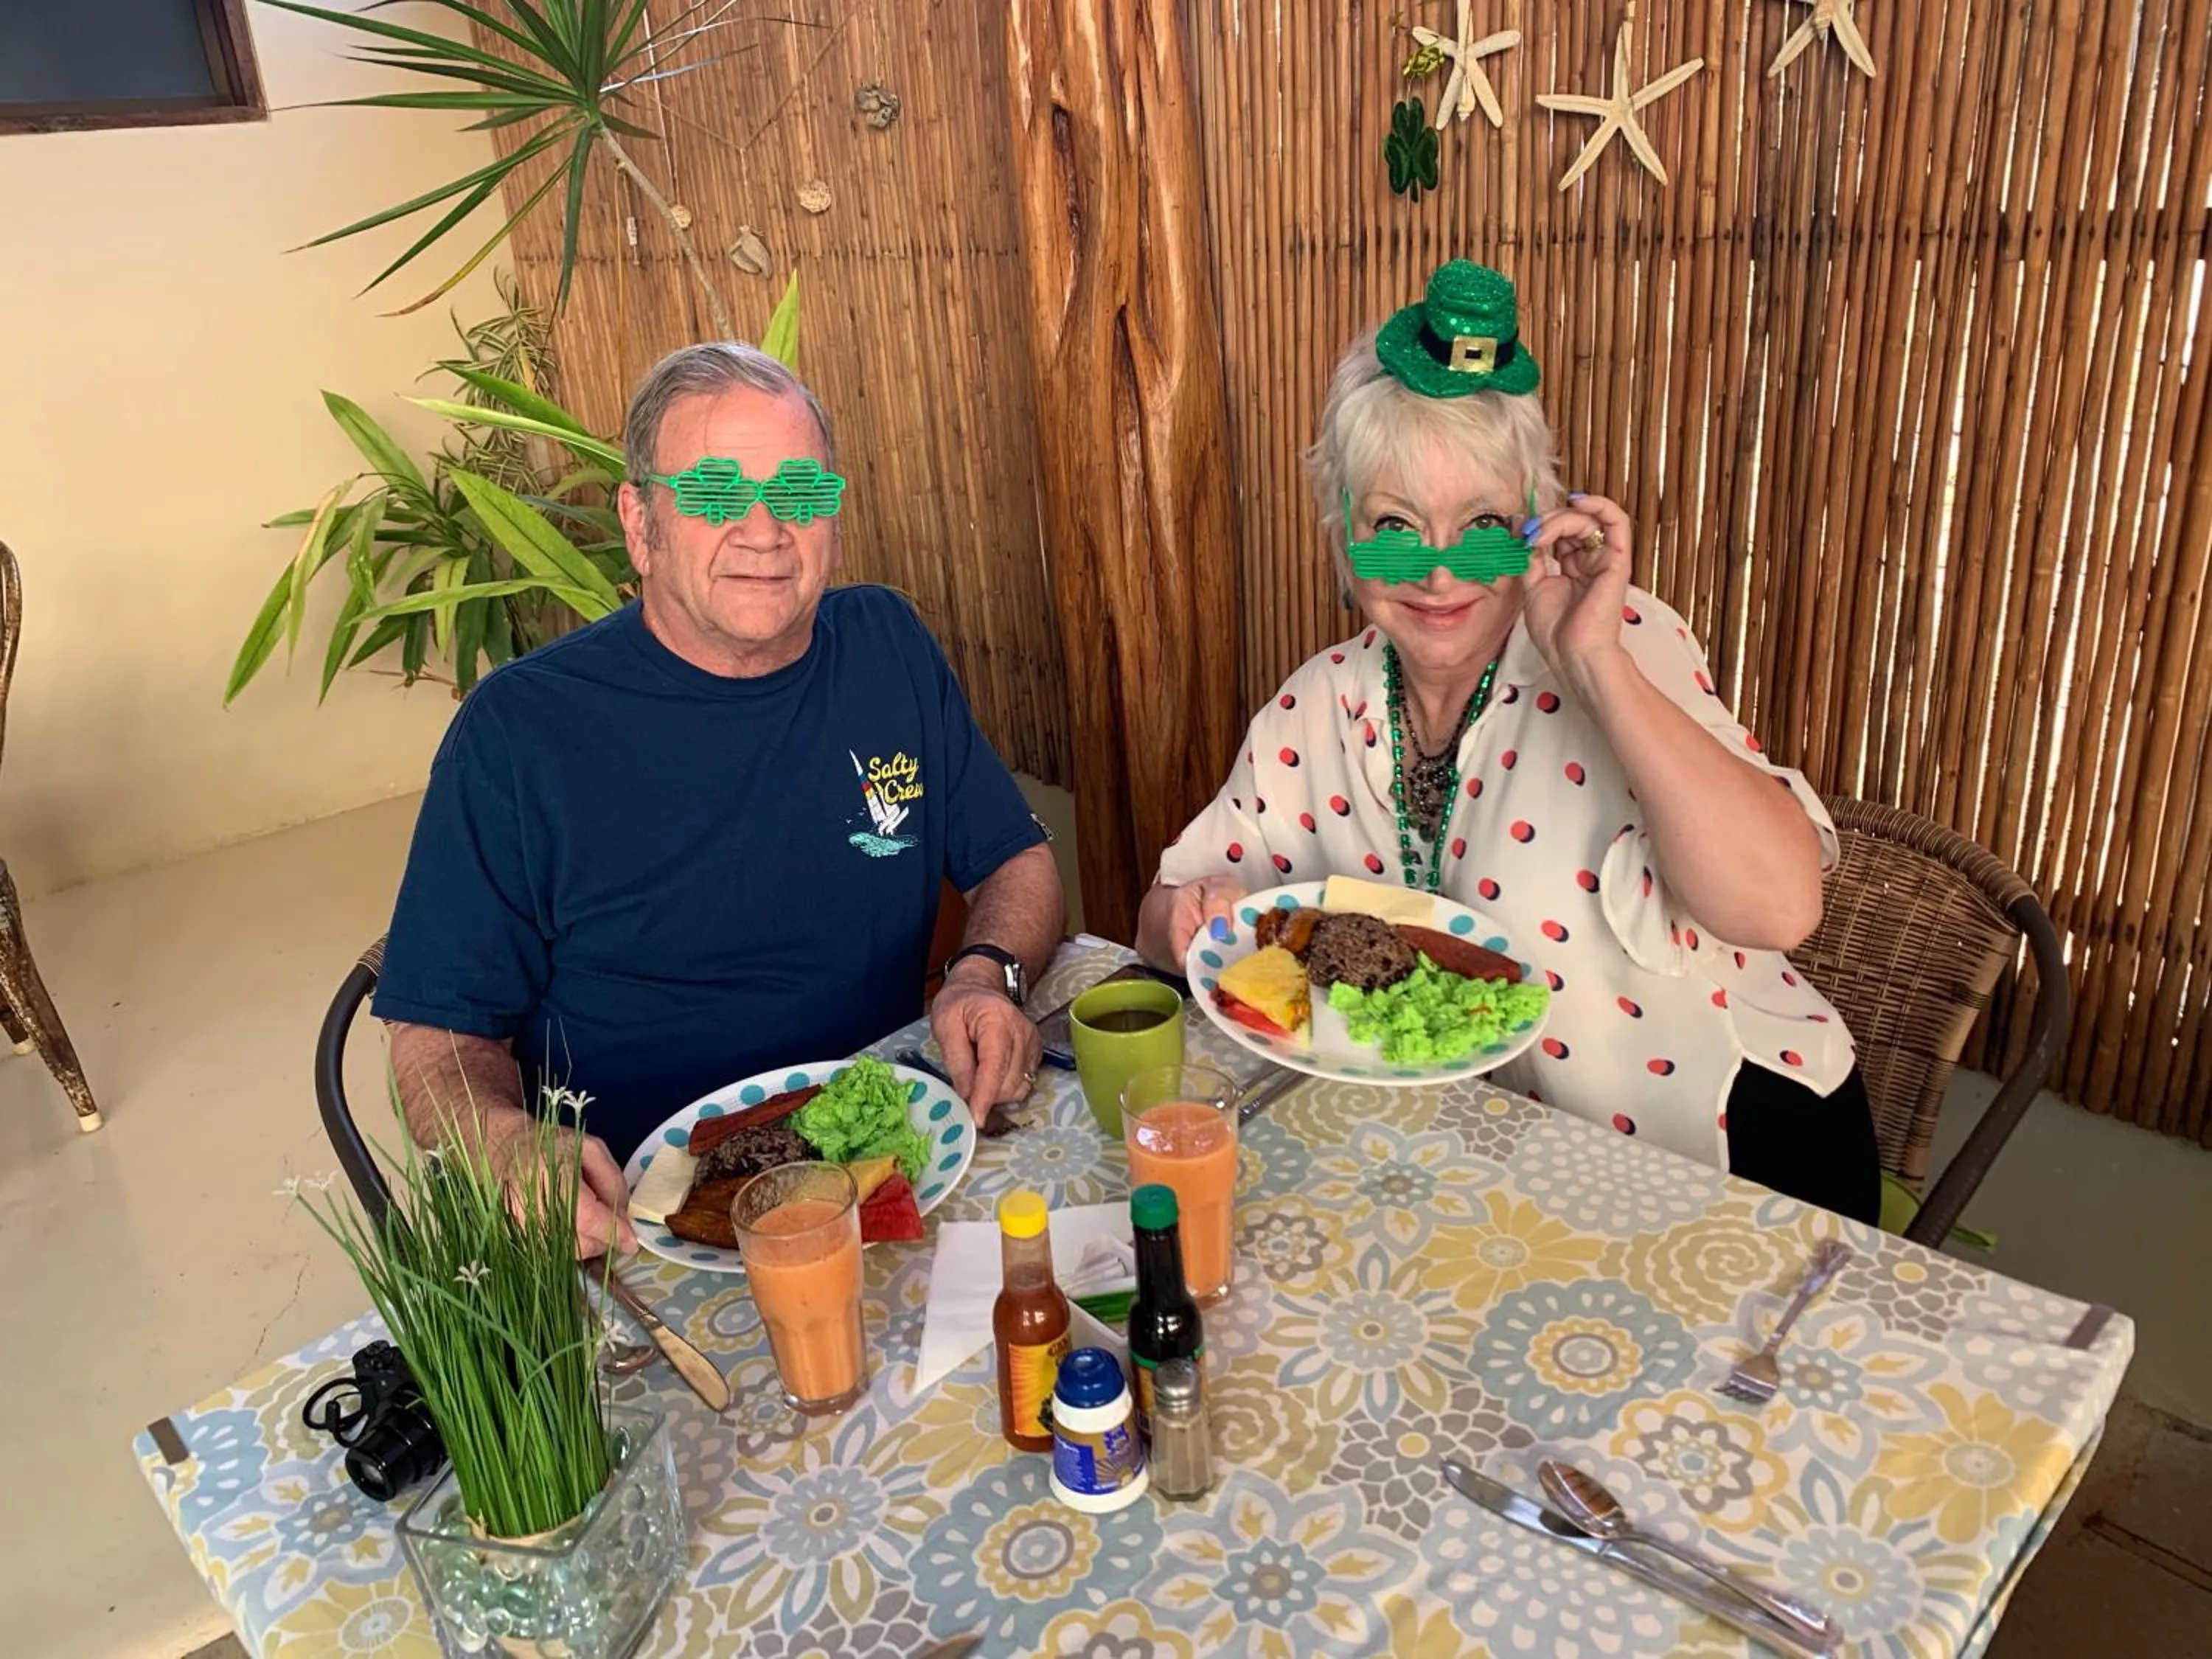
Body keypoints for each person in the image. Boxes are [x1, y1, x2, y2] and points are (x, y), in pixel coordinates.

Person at [1137, 260, 1879, 1222]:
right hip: (1490, 1182)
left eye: (1482, 527)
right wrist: (1195, 915)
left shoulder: (1618, 640)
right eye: (1396, 529)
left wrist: (1599, 663)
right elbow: (1165, 917)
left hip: (1729, 1159)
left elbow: (1782, 907)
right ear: (1343, 536)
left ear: (1533, 520)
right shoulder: (1318, 705)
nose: (1440, 574)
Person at [375, 341, 1063, 1256]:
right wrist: (503, 1140)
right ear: (639, 520)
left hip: (885, 1166)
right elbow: (437, 1039)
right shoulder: (519, 733)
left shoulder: (886, 647)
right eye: (710, 494)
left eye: (802, 493)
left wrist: (985, 973)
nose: (765, 527)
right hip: (634, 1219)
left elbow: (1018, 858)